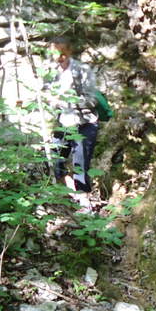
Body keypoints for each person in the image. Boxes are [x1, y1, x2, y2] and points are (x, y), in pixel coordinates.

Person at [46, 37, 99, 194]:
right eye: (54, 52)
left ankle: (84, 203)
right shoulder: (51, 71)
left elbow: (92, 100)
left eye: (61, 52)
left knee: (80, 166)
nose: (57, 56)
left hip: (84, 124)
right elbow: (45, 94)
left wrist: (66, 101)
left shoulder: (82, 70)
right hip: (63, 123)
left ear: (68, 51)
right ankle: (68, 192)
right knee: (53, 158)